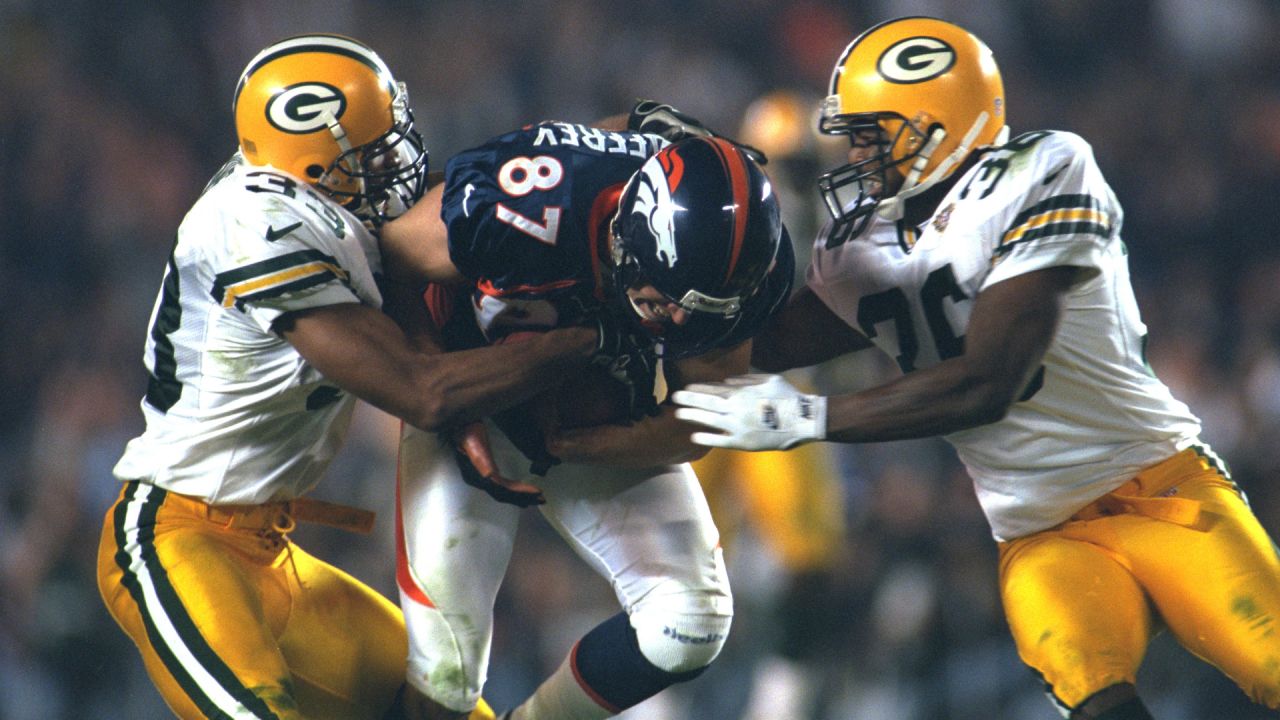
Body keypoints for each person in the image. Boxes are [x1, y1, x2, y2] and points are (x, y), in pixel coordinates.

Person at [671, 16, 1280, 720]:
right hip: (1038, 533)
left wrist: (810, 417)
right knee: (1090, 686)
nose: (858, 158)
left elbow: (990, 380)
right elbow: (758, 346)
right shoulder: (863, 242)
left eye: (873, 136)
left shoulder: (1044, 168)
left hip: (1160, 491)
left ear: (939, 121)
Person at [97, 33, 629, 720]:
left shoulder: (316, 204)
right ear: (312, 162)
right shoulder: (252, 223)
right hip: (177, 540)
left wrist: (620, 142)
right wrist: (588, 340)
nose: (398, 160)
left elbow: (466, 216)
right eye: (372, 152)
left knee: (454, 710)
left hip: (272, 553)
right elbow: (424, 390)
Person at [377, 107, 795, 720]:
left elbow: (697, 419)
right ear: (630, 233)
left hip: (599, 414)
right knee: (447, 674)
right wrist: (447, 401)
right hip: (473, 389)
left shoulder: (749, 270)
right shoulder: (532, 198)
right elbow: (393, 261)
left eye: (698, 308)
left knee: (689, 621)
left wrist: (575, 445)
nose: (678, 320)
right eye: (667, 294)